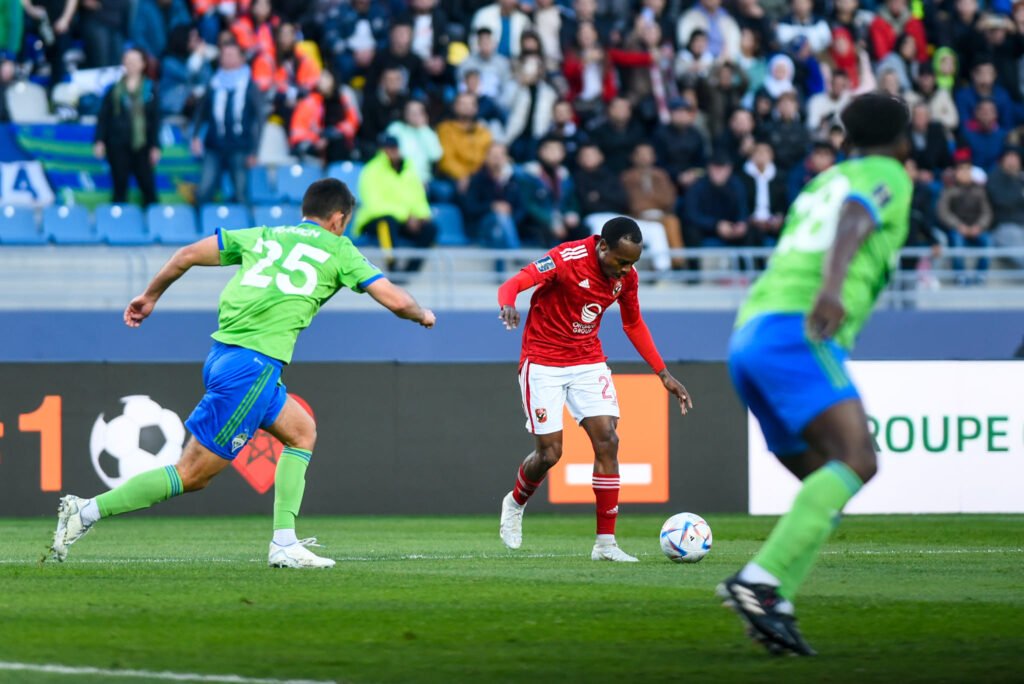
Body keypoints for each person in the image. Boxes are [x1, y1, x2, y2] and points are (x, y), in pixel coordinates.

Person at [50, 179, 436, 567]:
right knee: (192, 474)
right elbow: (396, 300)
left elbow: (185, 254)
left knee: (302, 432)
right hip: (252, 365)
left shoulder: (263, 235)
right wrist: (422, 314)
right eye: (345, 222)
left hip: (228, 356)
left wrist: (149, 296)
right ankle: (85, 512)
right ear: (338, 219)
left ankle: (285, 542)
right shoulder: (339, 248)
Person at [717, 93, 913, 656]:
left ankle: (775, 599)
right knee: (858, 460)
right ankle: (759, 580)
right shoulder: (888, 175)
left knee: (823, 482)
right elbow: (856, 218)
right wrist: (831, 289)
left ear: (844, 139)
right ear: (903, 140)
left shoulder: (816, 183)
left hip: (749, 333)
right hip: (797, 333)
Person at [496, 217, 692, 562]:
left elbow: (633, 322)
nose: (626, 270)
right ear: (602, 246)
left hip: (587, 360)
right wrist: (508, 303)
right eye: (621, 261)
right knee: (550, 454)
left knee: (608, 441)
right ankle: (515, 502)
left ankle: (605, 545)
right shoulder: (566, 258)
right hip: (542, 362)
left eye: (632, 263)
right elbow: (515, 282)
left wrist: (662, 373)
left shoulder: (626, 278)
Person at [191, 42, 263, 205]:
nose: (228, 58)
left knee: (240, 193)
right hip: (214, 146)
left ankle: (243, 229)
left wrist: (255, 150)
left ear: (241, 59)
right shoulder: (214, 83)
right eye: (225, 55)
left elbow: (259, 119)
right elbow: (201, 112)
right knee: (203, 190)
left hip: (240, 147)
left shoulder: (250, 85)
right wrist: (195, 136)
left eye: (232, 55)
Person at [355, 134, 438, 270]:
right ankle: (392, 265)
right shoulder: (371, 171)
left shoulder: (409, 171)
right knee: (386, 222)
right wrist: (406, 216)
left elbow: (419, 198)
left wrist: (422, 216)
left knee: (430, 228)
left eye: (393, 148)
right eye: (387, 148)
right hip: (373, 221)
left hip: (404, 221)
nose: (391, 151)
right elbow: (374, 204)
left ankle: (410, 270)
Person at [93, 48, 161, 206]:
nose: (130, 64)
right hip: (117, 144)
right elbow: (103, 118)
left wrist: (155, 146)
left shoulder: (150, 89)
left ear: (143, 64)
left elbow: (156, 120)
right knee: (119, 187)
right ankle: (119, 224)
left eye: (134, 61)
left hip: (142, 145)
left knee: (148, 187)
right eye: (127, 60)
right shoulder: (114, 89)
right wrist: (99, 140)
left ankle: (152, 223)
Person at [937, 149, 993, 284]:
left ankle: (981, 274)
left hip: (976, 228)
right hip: (957, 229)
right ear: (956, 172)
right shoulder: (949, 190)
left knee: (988, 242)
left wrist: (979, 226)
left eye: (968, 170)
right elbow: (943, 211)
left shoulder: (979, 190)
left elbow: (987, 212)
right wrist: (958, 226)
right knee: (956, 241)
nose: (965, 173)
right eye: (961, 170)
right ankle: (959, 274)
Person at [462, 141, 525, 247]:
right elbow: (470, 207)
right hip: (483, 224)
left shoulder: (514, 180)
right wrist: (492, 207)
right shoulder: (477, 179)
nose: (497, 158)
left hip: (510, 225)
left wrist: (509, 216)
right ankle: (515, 254)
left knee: (499, 233)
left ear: (507, 158)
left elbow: (522, 208)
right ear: (486, 157)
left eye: (501, 155)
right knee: (500, 219)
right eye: (493, 155)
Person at [436, 92, 494, 192]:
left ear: (476, 108)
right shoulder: (445, 129)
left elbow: (490, 156)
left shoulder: (484, 131)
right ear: (454, 107)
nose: (467, 107)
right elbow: (446, 160)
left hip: (481, 177)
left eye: (470, 104)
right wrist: (463, 175)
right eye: (463, 104)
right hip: (455, 177)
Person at [987, 147, 1024, 269]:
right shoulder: (995, 178)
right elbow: (1001, 200)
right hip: (1004, 226)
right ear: (1002, 160)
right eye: (1009, 157)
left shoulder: (1020, 178)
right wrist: (1020, 194)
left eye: (1015, 157)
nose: (1012, 161)